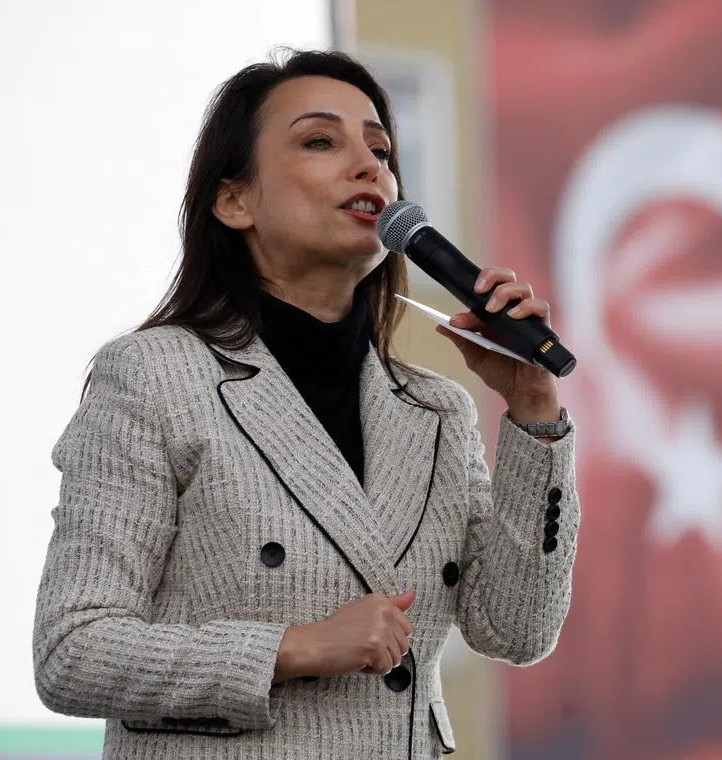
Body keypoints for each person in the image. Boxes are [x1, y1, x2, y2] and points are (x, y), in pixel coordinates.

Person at [32, 49, 578, 760]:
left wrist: (534, 411)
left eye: (381, 149)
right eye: (321, 141)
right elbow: (72, 649)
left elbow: (516, 630)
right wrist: (294, 649)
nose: (369, 167)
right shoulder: (154, 376)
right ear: (235, 200)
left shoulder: (436, 409)